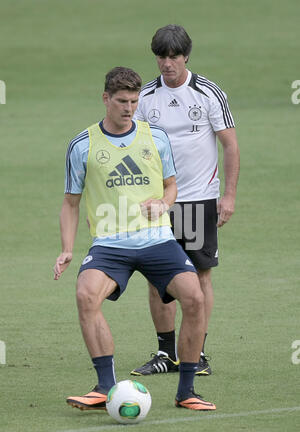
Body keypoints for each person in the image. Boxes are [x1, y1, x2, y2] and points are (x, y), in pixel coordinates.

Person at [54, 66, 216, 411]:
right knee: (86, 295)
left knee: (195, 298)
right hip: (110, 245)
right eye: (122, 101)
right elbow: (70, 203)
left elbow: (172, 185)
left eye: (134, 100)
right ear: (106, 99)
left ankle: (186, 391)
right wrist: (67, 249)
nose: (129, 108)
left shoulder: (155, 137)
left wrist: (164, 202)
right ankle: (105, 387)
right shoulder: (82, 145)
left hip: (157, 240)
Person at [131, 25, 240, 377]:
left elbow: (230, 146)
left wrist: (229, 196)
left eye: (173, 56)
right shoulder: (145, 97)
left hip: (197, 202)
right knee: (156, 278)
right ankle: (166, 354)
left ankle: (197, 353)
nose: (167, 64)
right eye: (161, 57)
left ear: (186, 56)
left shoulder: (207, 93)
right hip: (159, 204)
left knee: (199, 277)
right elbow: (134, 148)